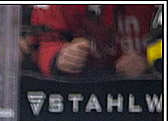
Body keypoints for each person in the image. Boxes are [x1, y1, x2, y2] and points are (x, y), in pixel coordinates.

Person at [28, 4, 157, 77]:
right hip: (74, 98)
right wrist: (57, 57)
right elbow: (38, 43)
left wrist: (151, 62)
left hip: (141, 99)